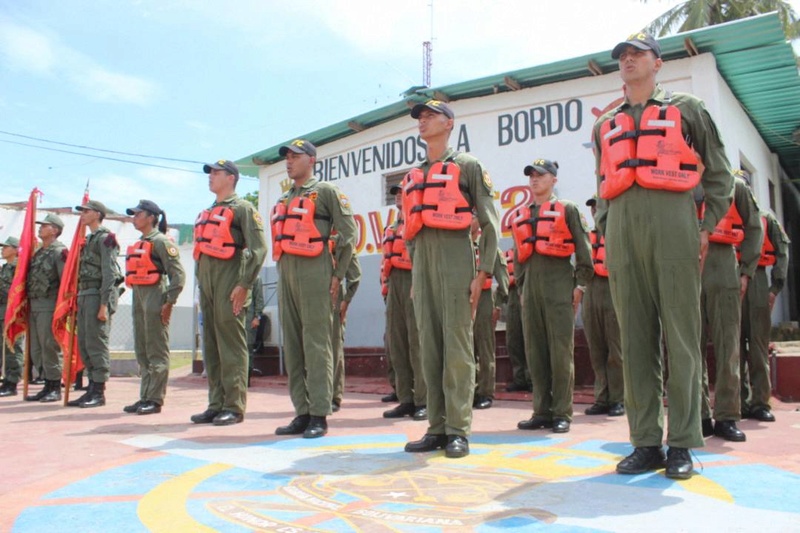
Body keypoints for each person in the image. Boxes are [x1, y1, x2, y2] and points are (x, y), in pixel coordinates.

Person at [593, 32, 734, 479]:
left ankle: (683, 443)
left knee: (682, 337)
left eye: (638, 54)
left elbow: (719, 172)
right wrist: (606, 227)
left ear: (659, 63)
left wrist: (706, 226)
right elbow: (604, 181)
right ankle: (646, 441)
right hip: (623, 232)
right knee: (634, 339)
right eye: (623, 56)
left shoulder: (688, 109)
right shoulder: (606, 124)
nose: (628, 60)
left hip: (673, 223)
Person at [402, 99, 500, 459]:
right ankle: (437, 427)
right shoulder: (415, 174)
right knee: (430, 347)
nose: (423, 122)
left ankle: (458, 429)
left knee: (457, 347)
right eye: (420, 118)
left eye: (430, 116)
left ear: (449, 123)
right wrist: (415, 273)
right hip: (424, 266)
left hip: (457, 259)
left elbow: (490, 223)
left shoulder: (468, 166)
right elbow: (410, 232)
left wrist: (483, 272)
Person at [271, 139, 356, 439]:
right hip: (287, 273)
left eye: (295, 156)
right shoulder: (284, 199)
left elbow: (349, 233)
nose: (289, 161)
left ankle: (319, 412)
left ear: (312, 160)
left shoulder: (327, 192)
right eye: (287, 157)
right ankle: (302, 412)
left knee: (317, 344)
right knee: (293, 345)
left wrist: (338, 275)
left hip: (316, 271)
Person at [511, 159, 593, 434]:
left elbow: (584, 251)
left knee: (560, 352)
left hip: (559, 285)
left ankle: (562, 413)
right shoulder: (521, 215)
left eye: (541, 175)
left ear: (554, 180)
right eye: (531, 175)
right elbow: (519, 256)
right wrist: (522, 288)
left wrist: (580, 286)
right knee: (535, 352)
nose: (535, 180)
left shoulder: (567, 209)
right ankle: (541, 411)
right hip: (531, 289)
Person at [191, 160, 267, 426]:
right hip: (208, 286)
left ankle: (234, 406)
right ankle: (216, 403)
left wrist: (244, 284)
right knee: (211, 347)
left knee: (232, 346)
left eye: (216, 173)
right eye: (209, 173)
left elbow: (259, 249)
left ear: (232, 178)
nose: (210, 177)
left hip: (230, 282)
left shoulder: (243, 209)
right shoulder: (207, 212)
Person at [699, 172, 762, 441]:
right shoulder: (678, 178)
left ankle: (726, 415)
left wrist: (746, 270)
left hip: (724, 263)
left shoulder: (734, 186)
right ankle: (698, 415)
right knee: (688, 346)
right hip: (686, 263)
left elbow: (754, 227)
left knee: (728, 345)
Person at [123, 200, 186, 415]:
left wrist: (169, 302)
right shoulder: (142, 242)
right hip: (139, 296)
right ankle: (145, 396)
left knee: (156, 349)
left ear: (151, 217)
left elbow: (178, 275)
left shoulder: (160, 241)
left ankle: (155, 399)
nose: (134, 217)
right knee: (142, 348)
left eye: (137, 214)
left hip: (155, 295)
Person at [68, 201, 122, 408]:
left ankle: (99, 392)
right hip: (85, 294)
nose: (82, 214)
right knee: (84, 343)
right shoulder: (88, 239)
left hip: (97, 295)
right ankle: (91, 388)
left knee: (96, 344)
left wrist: (103, 304)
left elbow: (109, 273)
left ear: (98, 214)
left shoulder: (106, 238)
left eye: (86, 211)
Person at [382, 185, 427, 421]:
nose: (399, 195)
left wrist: (418, 282)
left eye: (403, 191)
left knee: (417, 343)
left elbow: (422, 252)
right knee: (396, 344)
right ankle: (405, 398)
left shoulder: (417, 219)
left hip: (413, 280)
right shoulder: (390, 226)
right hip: (394, 285)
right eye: (396, 192)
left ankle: (423, 399)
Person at [740, 210, 790, 422]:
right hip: (728, 276)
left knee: (759, 345)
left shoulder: (765, 218)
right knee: (731, 346)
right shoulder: (720, 208)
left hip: (758, 280)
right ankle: (736, 403)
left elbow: (782, 249)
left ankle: (760, 402)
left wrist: (775, 286)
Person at [582, 197, 624, 417]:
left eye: (598, 206)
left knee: (616, 348)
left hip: (613, 289)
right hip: (591, 291)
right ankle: (602, 397)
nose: (594, 210)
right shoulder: (587, 236)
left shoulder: (618, 232)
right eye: (592, 207)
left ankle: (618, 398)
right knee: (596, 348)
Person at [24, 213, 67, 403]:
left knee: (49, 346)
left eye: (45, 225)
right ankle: (46, 384)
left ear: (55, 230)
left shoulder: (59, 252)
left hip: (50, 305)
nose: (40, 228)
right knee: (37, 348)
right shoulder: (39, 252)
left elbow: (64, 281)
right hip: (35, 303)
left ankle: (55, 386)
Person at [471, 215, 509, 410]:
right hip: (463, 300)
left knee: (484, 349)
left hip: (485, 300)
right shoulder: (457, 247)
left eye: (472, 216)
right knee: (466, 349)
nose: (469, 220)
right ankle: (470, 390)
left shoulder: (489, 248)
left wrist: (498, 305)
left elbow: (503, 279)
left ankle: (485, 392)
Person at [331, 232, 361, 413]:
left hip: (334, 299)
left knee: (334, 348)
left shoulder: (341, 242)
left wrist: (346, 300)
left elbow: (355, 274)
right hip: (312, 297)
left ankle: (334, 396)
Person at [503, 247, 531, 393]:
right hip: (512, 295)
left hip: (527, 292)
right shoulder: (507, 254)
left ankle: (532, 379)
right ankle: (519, 378)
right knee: (513, 339)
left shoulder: (529, 250)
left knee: (530, 338)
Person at [0, 237, 23, 397]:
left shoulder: (18, 268)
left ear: (15, 250)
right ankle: (6, 379)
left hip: (12, 311)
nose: (3, 249)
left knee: (12, 346)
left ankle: (12, 381)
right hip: (1, 310)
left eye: (6, 247)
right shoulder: (5, 268)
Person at [246, 275, 265, 385]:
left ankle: (247, 378)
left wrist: (257, 317)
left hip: (249, 320)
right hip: (235, 318)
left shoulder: (256, 278)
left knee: (247, 349)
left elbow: (259, 299)